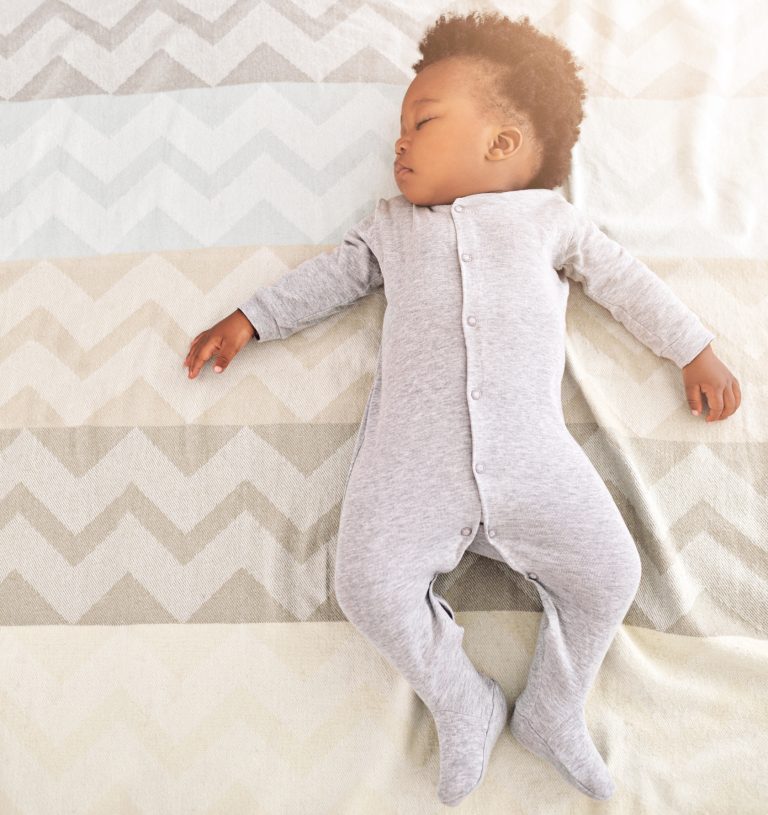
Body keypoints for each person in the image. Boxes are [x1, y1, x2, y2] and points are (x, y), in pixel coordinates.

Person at [183, 10, 741, 807]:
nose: (398, 142)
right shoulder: (390, 228)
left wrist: (693, 347)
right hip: (415, 461)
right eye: (399, 128)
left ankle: (554, 704)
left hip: (531, 455)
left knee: (611, 571)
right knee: (367, 585)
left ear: (503, 143)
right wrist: (252, 319)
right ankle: (461, 699)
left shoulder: (552, 223)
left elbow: (625, 282)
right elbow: (329, 280)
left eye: (422, 121)